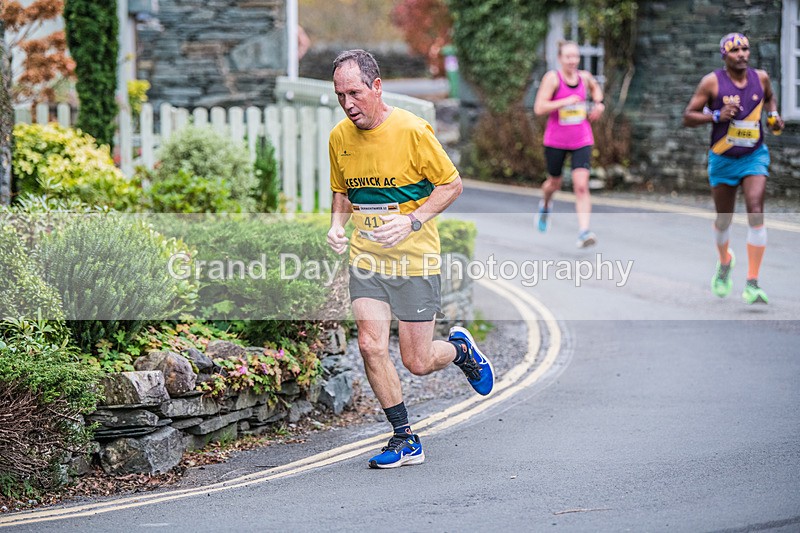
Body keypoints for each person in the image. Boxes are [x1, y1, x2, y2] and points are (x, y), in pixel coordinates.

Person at [326, 49, 495, 469]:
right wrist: (336, 225)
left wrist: (412, 221)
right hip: (367, 259)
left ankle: (459, 350)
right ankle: (404, 438)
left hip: (414, 261)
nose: (348, 104)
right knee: (369, 345)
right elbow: (342, 190)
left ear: (377, 87)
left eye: (354, 93)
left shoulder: (412, 130)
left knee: (417, 362)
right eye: (339, 94)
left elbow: (451, 185)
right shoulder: (338, 138)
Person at [683, 33, 784, 304]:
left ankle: (752, 282)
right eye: (735, 50)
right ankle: (725, 262)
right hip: (723, 159)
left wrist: (774, 117)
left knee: (755, 208)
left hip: (754, 156)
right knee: (723, 220)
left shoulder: (760, 78)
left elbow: (770, 100)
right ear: (724, 55)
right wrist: (716, 115)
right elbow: (688, 116)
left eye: (745, 49)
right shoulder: (712, 82)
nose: (741, 54)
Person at [533, 40, 605, 248]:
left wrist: (599, 104)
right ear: (560, 59)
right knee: (553, 183)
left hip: (581, 139)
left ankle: (584, 232)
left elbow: (595, 89)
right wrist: (564, 102)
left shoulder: (584, 77)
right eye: (568, 57)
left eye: (575, 56)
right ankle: (545, 205)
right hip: (556, 140)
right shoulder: (553, 79)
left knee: (581, 186)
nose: (573, 61)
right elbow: (539, 107)